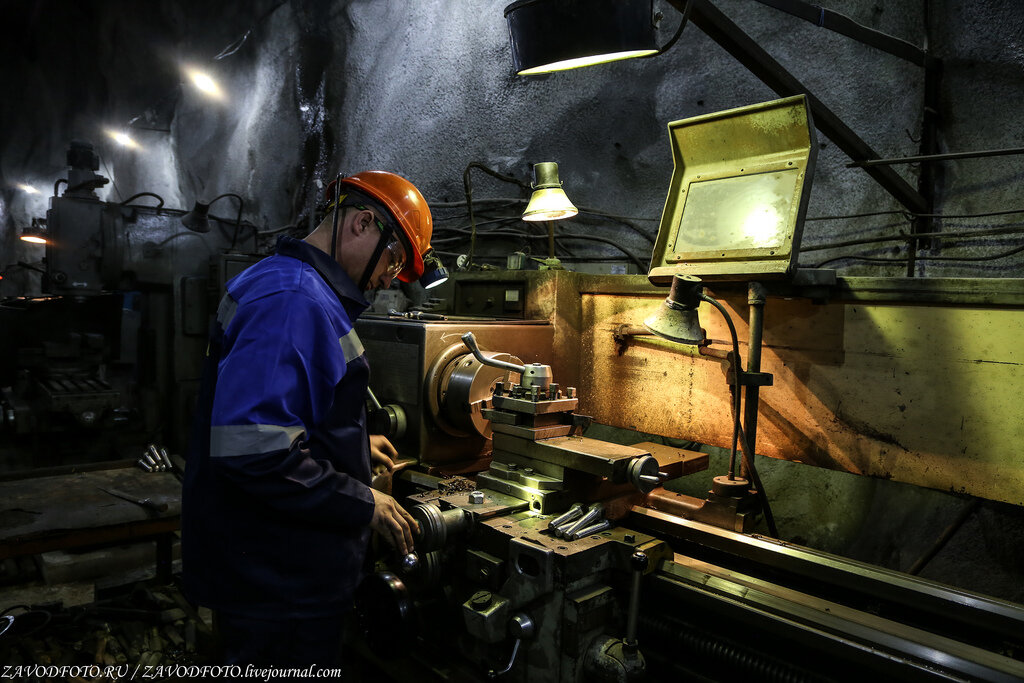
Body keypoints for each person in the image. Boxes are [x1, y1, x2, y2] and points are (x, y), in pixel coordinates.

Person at [181, 171, 432, 670]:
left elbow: (288, 414)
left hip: (269, 569)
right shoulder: (294, 300)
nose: (390, 280)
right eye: (395, 259)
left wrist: (357, 446)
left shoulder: (282, 279)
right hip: (277, 585)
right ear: (363, 223)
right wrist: (366, 501)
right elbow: (256, 450)